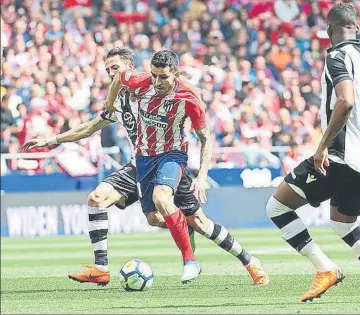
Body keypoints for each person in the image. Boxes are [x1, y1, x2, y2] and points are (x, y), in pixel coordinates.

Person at [23, 46, 269, 286]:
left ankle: (248, 261)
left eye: (115, 68)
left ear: (130, 68)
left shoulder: (172, 92)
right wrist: (50, 140)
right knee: (104, 200)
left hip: (170, 157)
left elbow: (205, 137)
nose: (111, 74)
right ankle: (101, 269)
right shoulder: (122, 100)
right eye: (107, 70)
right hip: (140, 162)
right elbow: (88, 127)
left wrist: (202, 175)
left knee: (197, 220)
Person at [265, 3, 360, 303]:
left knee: (277, 208)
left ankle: (325, 269)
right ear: (356, 27)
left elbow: (345, 102)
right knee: (344, 223)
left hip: (340, 156)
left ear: (329, 30)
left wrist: (322, 147)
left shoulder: (336, 57)